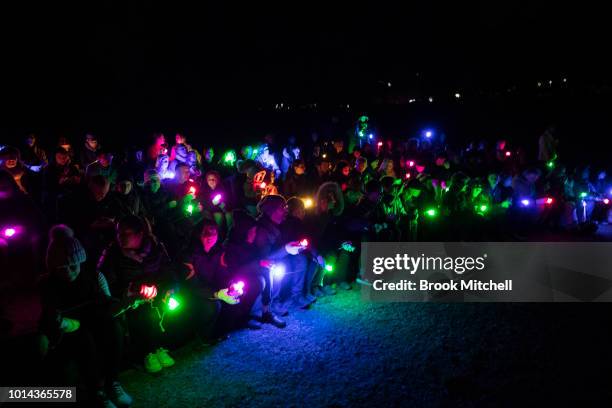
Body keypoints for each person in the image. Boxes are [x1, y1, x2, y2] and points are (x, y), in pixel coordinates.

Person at [40, 225, 132, 407]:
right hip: (68, 330)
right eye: (61, 268)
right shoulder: (48, 285)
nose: (68, 271)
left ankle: (112, 382)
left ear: (80, 261)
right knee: (84, 338)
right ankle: (96, 391)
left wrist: (125, 302)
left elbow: (107, 304)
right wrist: (65, 323)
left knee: (114, 328)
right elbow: (51, 319)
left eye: (72, 265)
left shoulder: (94, 277)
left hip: (93, 320)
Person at [98, 216, 180, 373]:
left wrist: (169, 289)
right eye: (118, 233)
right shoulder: (112, 253)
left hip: (156, 294)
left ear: (140, 234)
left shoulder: (156, 248)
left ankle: (159, 347)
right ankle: (147, 352)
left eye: (125, 234)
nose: (119, 237)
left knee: (168, 306)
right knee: (143, 313)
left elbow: (169, 272)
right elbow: (104, 284)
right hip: (129, 299)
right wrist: (130, 291)